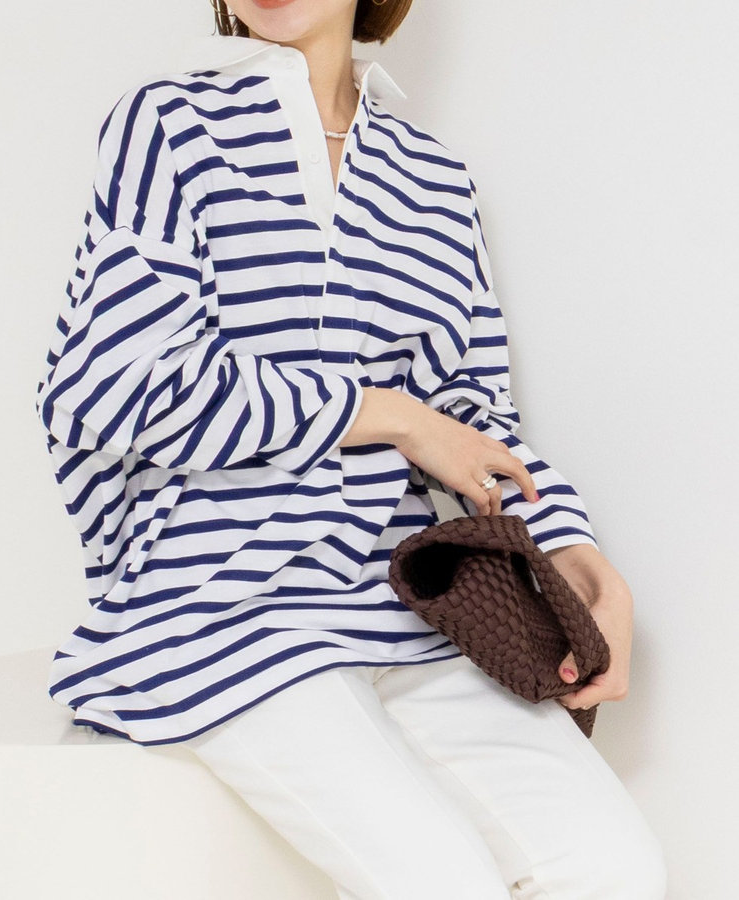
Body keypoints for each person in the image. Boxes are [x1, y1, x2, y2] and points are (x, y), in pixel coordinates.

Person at [34, 0, 668, 897]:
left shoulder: (433, 179)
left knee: (615, 869)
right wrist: (388, 415)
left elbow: (470, 412)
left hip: (404, 606)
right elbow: (109, 384)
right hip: (220, 606)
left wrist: (570, 547)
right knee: (441, 882)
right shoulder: (170, 124)